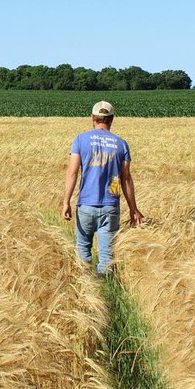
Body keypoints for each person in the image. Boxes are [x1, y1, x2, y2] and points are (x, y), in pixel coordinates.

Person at [61, 100, 143, 276]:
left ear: (92, 118)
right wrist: (133, 209)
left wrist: (66, 202)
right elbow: (125, 178)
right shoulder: (121, 144)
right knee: (107, 257)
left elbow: (72, 172)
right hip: (110, 205)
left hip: (85, 205)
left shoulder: (80, 140)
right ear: (111, 119)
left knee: (83, 250)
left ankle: (88, 292)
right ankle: (106, 286)